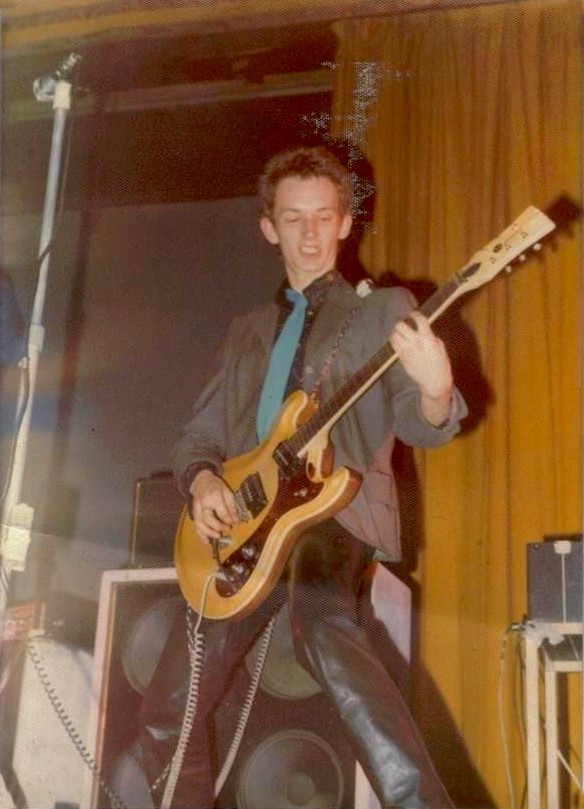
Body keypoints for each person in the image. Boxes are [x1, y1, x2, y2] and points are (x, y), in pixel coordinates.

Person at [139, 145, 467, 809]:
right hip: (242, 530)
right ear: (270, 227)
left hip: (332, 508)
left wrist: (437, 387)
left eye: (324, 217)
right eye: (294, 219)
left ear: (345, 223)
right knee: (167, 707)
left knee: (320, 625)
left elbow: (422, 423)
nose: (311, 233)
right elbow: (199, 436)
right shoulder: (245, 332)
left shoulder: (383, 310)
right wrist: (203, 482)